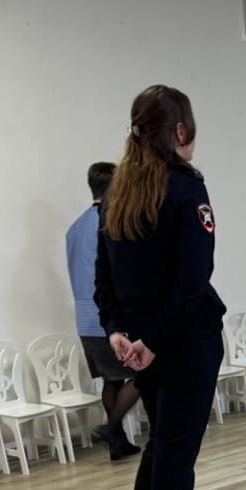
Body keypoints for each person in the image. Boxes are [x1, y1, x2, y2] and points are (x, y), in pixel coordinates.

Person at [96, 85, 228, 490]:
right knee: (175, 452)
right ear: (179, 131)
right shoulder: (185, 187)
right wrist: (150, 340)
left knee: (160, 445)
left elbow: (103, 279)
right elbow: (192, 279)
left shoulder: (117, 191)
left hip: (141, 344)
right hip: (185, 340)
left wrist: (119, 332)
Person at [65, 161, 141, 460]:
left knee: (112, 378)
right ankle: (111, 428)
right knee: (145, 371)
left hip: (84, 318)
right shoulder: (110, 223)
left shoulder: (74, 228)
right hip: (111, 317)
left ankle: (117, 441)